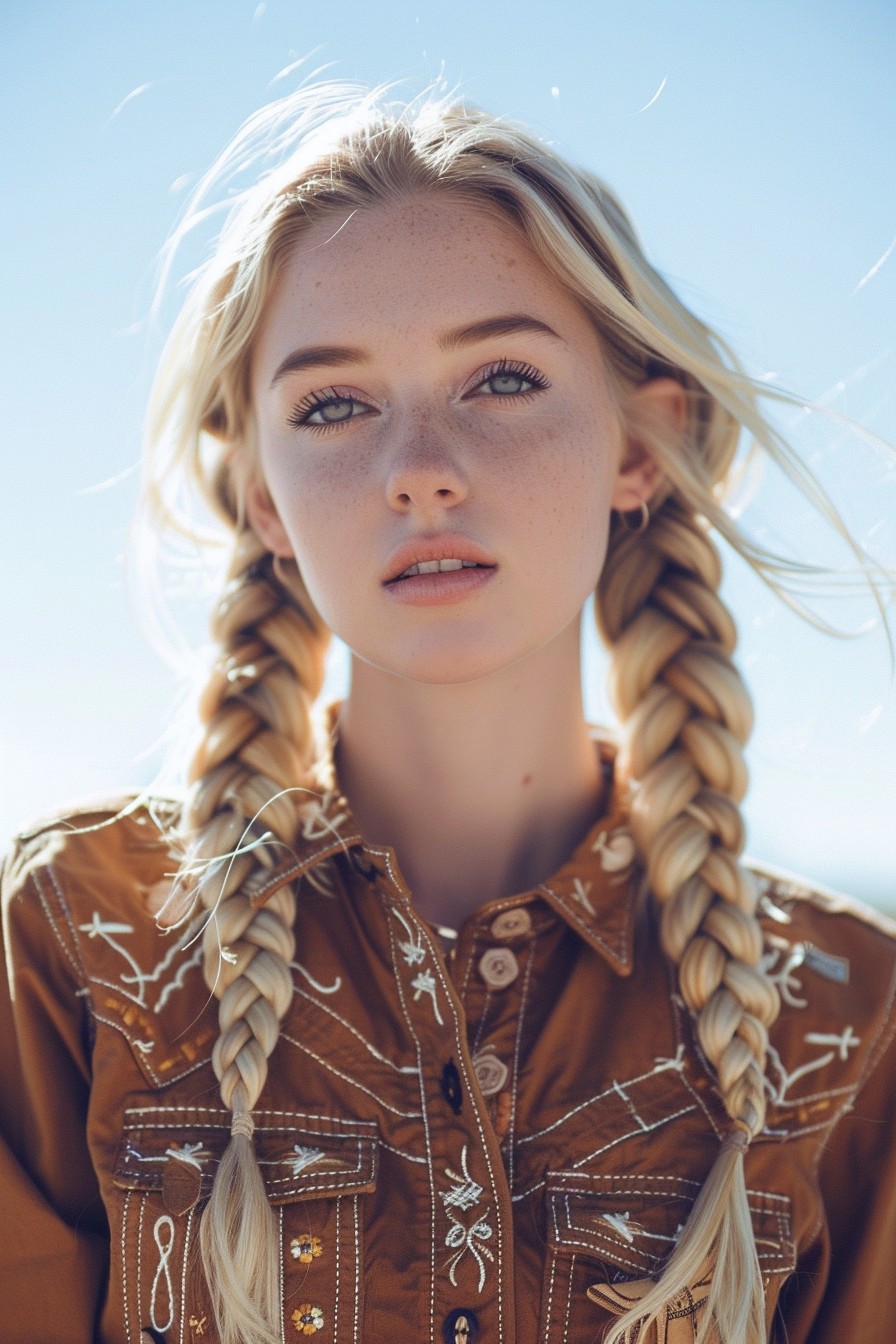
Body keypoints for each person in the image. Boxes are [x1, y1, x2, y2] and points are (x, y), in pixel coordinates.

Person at [1, 83, 894, 1344]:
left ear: (641, 444)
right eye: (331, 404)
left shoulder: (848, 1018)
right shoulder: (76, 939)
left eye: (503, 378)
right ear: (262, 498)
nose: (419, 465)